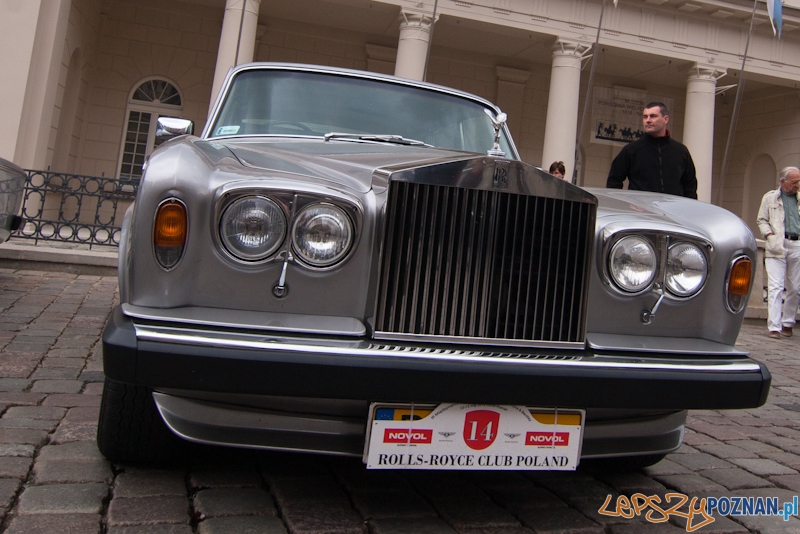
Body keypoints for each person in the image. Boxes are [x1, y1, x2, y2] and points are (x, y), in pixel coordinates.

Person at [606, 102, 698, 198]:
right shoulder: (631, 150)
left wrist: (687, 206)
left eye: (653, 116)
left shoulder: (681, 151)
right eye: (645, 117)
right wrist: (624, 204)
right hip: (640, 207)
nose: (648, 120)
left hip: (672, 206)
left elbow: (690, 186)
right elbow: (613, 181)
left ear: (665, 119)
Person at [757, 166, 800, 339]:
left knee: (795, 287)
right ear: (783, 182)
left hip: (797, 243)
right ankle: (774, 326)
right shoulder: (770, 198)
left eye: (799, 181)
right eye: (794, 182)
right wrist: (769, 235)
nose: (797, 185)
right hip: (776, 244)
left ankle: (788, 323)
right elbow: (761, 220)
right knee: (775, 286)